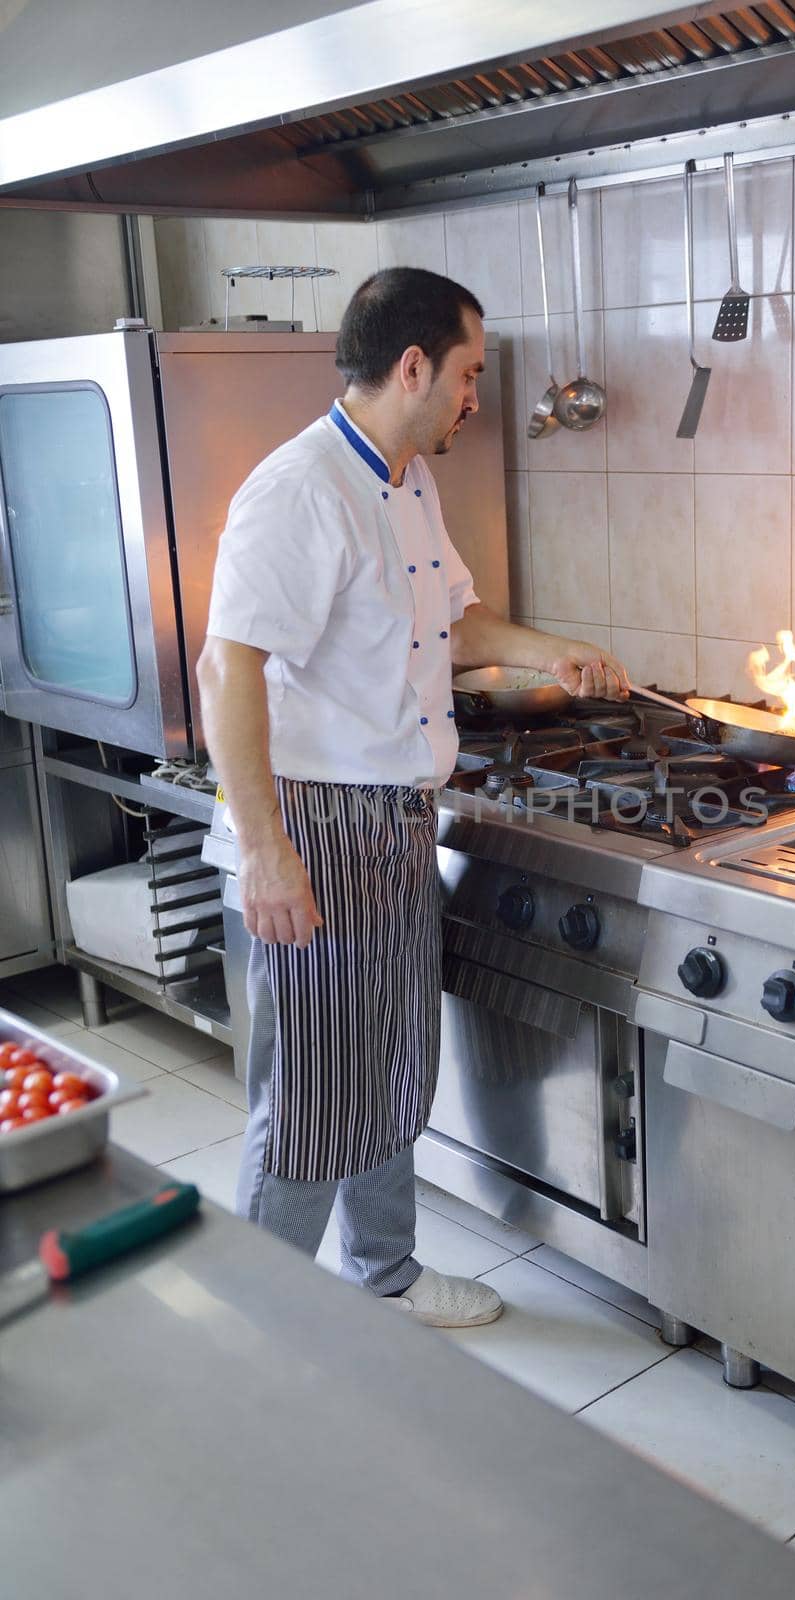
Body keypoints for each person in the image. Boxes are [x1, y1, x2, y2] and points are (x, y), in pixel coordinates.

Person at [197, 267, 630, 1328]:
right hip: (312, 821)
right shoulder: (300, 490)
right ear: (412, 367)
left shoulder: (408, 479)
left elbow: (458, 626)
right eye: (470, 374)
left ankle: (382, 1270)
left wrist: (555, 649)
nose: (475, 397)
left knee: (391, 1060)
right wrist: (263, 848)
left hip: (392, 820)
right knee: (311, 1099)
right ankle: (265, 1330)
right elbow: (228, 668)